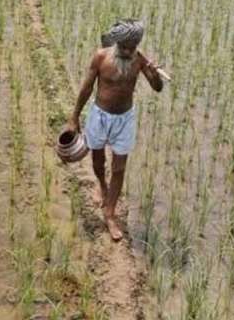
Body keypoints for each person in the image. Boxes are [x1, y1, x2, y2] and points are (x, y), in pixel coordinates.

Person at [67, 19, 164, 241]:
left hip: (124, 119)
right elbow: (86, 88)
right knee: (97, 160)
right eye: (126, 47)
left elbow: (157, 88)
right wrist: (74, 117)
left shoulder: (139, 60)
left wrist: (154, 73)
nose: (130, 51)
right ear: (118, 43)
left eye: (134, 46)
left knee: (119, 168)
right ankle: (101, 185)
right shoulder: (101, 57)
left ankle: (110, 213)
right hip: (100, 116)